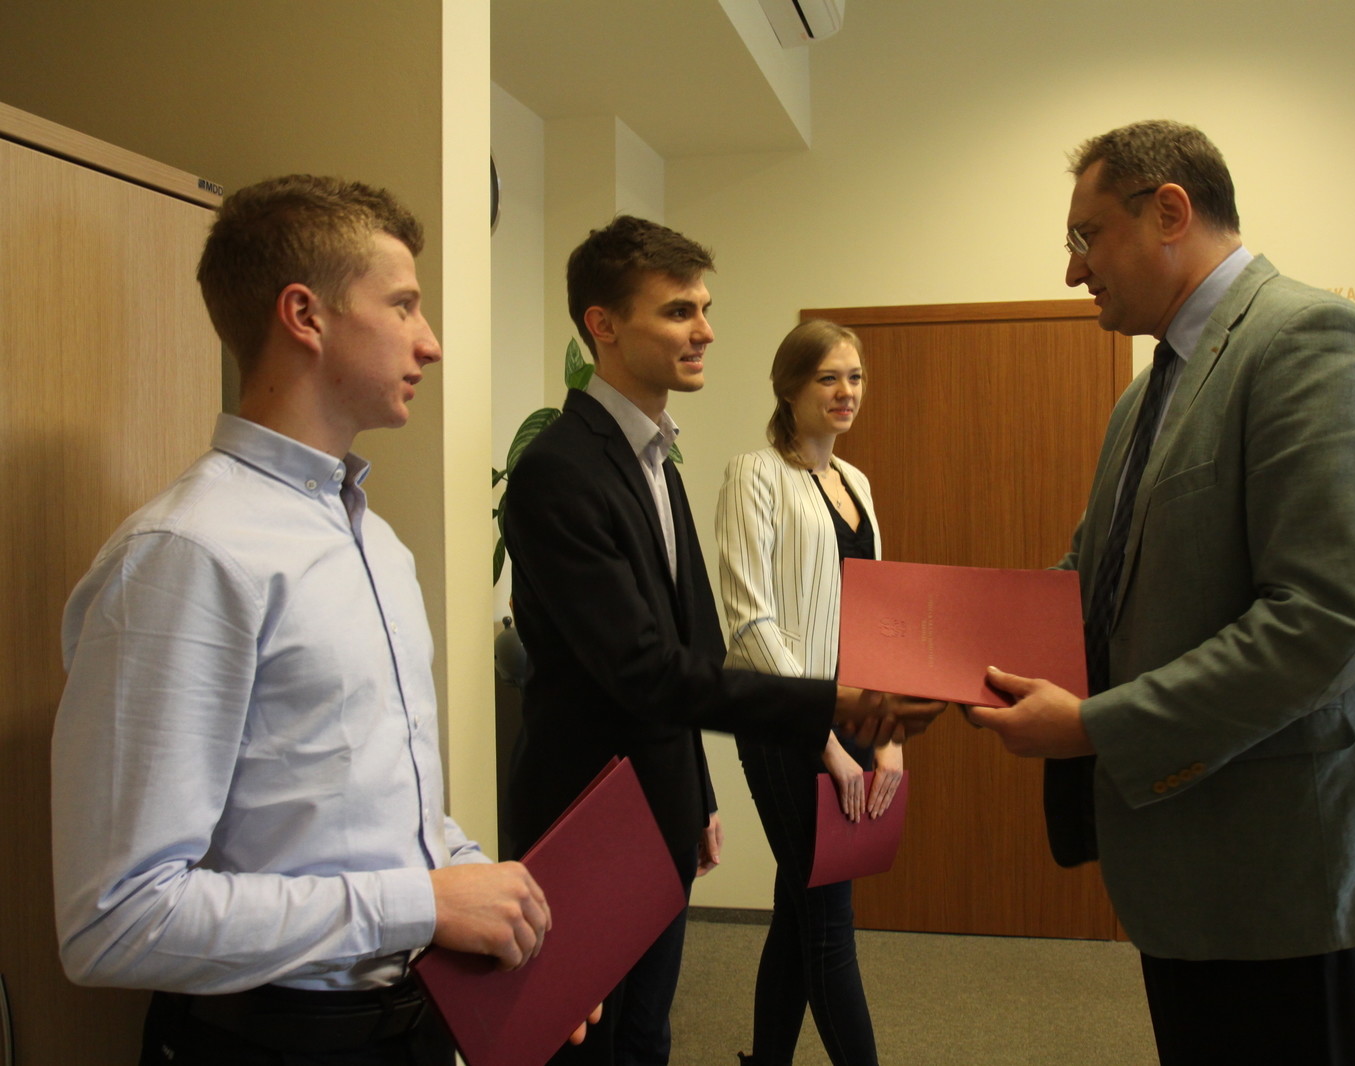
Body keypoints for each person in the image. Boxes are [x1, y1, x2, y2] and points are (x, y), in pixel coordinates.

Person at [51, 175, 587, 1066]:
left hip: (413, 1021)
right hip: (271, 1044)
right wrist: (422, 903)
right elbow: (116, 920)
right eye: (404, 305)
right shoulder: (188, 553)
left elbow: (387, 820)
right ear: (305, 316)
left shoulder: (375, 543)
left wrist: (499, 911)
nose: (431, 341)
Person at [967, 121, 1355, 1065]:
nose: (1073, 271)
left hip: (1292, 879)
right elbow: (1091, 580)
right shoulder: (1146, 394)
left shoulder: (1314, 343)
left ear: (1169, 211)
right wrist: (944, 659)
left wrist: (1096, 727)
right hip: (1194, 869)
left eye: (1086, 236)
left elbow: (1323, 623)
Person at [501, 217, 942, 1066]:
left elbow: (692, 642)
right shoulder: (561, 468)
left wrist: (696, 791)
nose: (704, 330)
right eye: (678, 311)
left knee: (647, 1037)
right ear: (602, 324)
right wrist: (834, 708)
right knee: (591, 1050)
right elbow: (642, 668)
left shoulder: (655, 458)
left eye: (705, 308)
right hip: (591, 820)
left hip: (660, 805)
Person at [716, 320, 897, 1066]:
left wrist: (886, 734)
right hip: (785, 724)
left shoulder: (857, 483)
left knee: (799, 907)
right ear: (789, 387)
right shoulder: (754, 475)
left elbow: (878, 617)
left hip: (851, 720)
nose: (846, 391)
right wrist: (823, 736)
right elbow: (748, 620)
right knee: (828, 920)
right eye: (828, 378)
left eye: (855, 377)